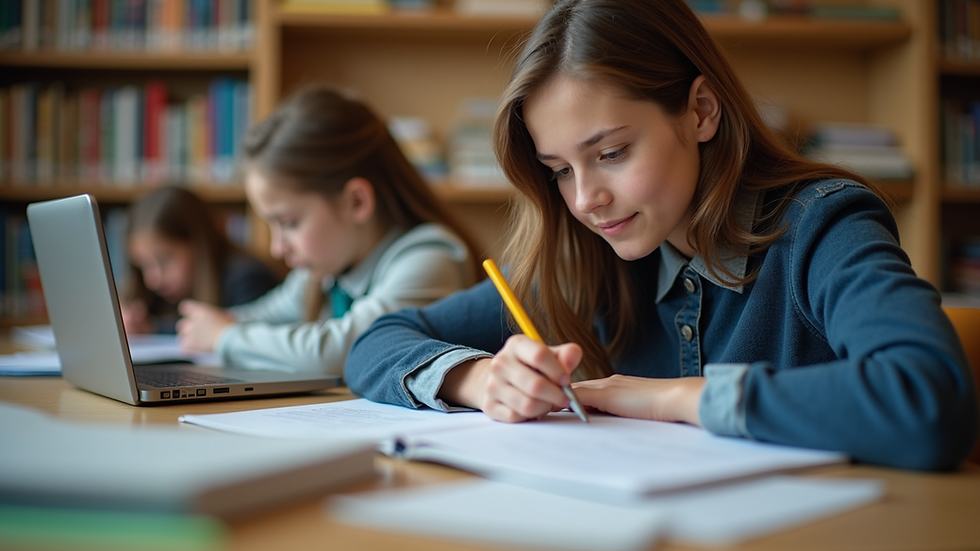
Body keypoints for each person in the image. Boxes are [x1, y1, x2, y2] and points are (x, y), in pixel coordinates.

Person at [345, 0, 979, 470]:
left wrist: (669, 398)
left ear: (701, 111)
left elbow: (928, 400)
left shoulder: (822, 226)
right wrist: (479, 381)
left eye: (613, 152)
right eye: (561, 170)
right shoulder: (583, 262)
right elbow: (378, 343)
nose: (586, 199)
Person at [175, 86, 481, 376]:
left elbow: (347, 350)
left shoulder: (431, 258)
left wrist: (225, 337)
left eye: (290, 223)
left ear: (356, 201)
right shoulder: (325, 272)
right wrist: (201, 325)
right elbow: (260, 317)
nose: (277, 248)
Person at [121, 186, 281, 334]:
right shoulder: (151, 297)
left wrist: (152, 327)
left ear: (199, 244)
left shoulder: (248, 279)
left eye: (164, 261)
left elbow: (247, 335)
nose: (153, 280)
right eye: (142, 265)